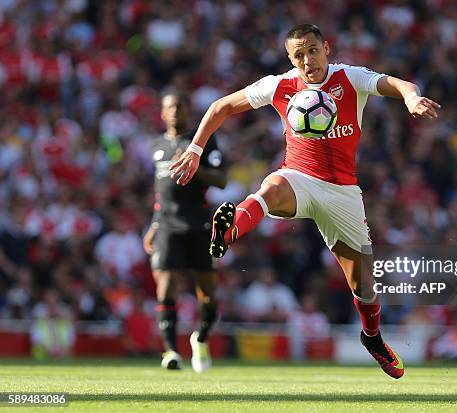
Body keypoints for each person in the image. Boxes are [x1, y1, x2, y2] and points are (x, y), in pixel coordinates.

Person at [169, 23, 440, 379]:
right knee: (270, 190)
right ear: (290, 59)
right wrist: (195, 148)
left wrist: (410, 98)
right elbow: (221, 106)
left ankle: (372, 338)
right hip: (298, 177)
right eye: (299, 55)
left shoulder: (349, 77)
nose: (307, 60)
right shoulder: (279, 85)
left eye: (313, 50)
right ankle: (229, 231)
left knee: (364, 286)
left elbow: (397, 83)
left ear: (326, 47)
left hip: (342, 192)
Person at [143, 91, 226, 372]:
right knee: (165, 286)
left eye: (180, 106)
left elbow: (222, 179)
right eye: (170, 107)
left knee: (209, 295)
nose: (175, 111)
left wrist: (194, 164)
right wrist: (154, 225)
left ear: (189, 111)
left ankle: (200, 338)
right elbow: (160, 192)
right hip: (166, 224)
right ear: (162, 113)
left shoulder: (203, 142)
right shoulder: (156, 146)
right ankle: (170, 351)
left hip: (199, 224)